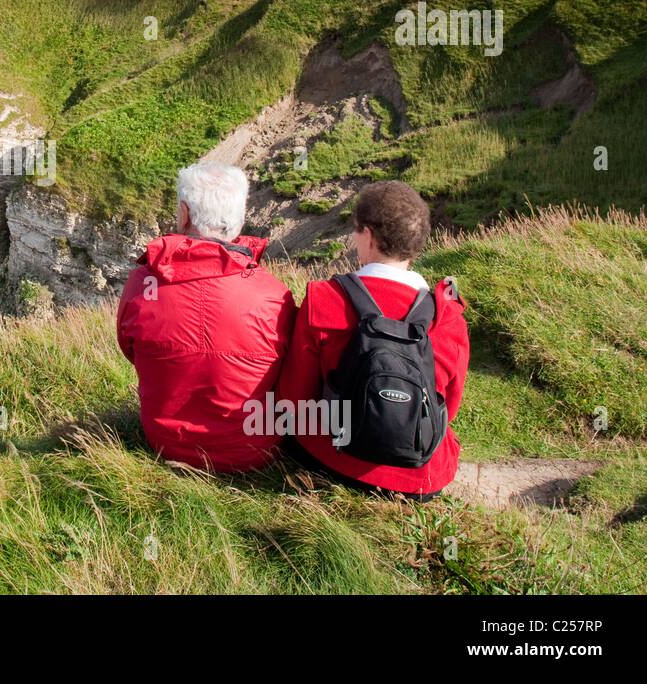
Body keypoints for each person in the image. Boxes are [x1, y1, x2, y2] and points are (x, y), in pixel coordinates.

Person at [275, 180, 470, 500]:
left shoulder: (324, 299)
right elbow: (449, 405)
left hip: (332, 459)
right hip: (418, 478)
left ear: (368, 235)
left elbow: (294, 400)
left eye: (356, 231)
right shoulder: (449, 317)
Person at [117, 161, 297, 472]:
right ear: (239, 219)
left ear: (184, 214)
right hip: (253, 450)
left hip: (166, 443)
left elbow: (131, 350)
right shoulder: (275, 295)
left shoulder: (142, 285)